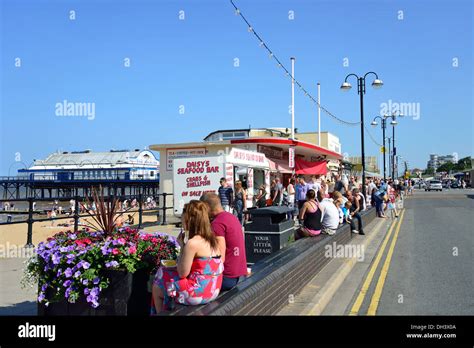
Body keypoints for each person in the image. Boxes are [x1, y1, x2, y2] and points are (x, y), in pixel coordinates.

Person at [151, 200, 223, 313]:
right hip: (213, 289)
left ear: (189, 220)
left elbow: (182, 273)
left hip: (198, 293)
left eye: (183, 219)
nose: (182, 223)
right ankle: (169, 305)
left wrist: (182, 246)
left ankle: (161, 312)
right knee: (166, 279)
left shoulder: (193, 243)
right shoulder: (212, 239)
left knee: (159, 281)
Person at [200, 193, 248, 291]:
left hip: (226, 277)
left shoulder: (217, 224)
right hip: (237, 273)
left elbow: (220, 258)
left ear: (207, 207)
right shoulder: (231, 217)